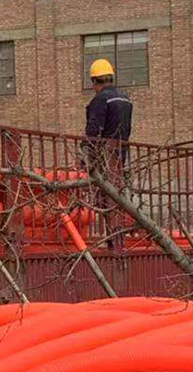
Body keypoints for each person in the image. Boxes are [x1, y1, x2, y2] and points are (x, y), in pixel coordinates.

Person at [83, 58, 133, 249]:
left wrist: (86, 156)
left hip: (105, 154)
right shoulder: (125, 99)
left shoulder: (100, 99)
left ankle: (113, 238)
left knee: (105, 196)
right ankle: (119, 234)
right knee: (118, 193)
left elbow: (93, 130)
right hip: (121, 153)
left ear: (95, 81)